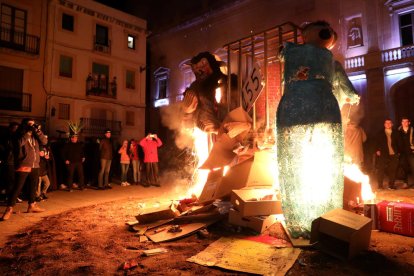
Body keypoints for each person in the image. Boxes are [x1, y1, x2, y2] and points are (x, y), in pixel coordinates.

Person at [276, 21, 359, 238]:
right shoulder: (330, 61)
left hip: (292, 107)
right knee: (323, 159)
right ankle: (323, 216)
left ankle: (302, 218)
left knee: (297, 160)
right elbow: (349, 89)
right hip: (323, 107)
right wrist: (352, 95)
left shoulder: (290, 51)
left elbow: (282, 56)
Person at [1, 118, 48, 221]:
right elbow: (19, 144)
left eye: (33, 124)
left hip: (35, 164)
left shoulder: (35, 135)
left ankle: (32, 206)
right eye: (30, 124)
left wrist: (38, 131)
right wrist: (28, 133)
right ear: (24, 125)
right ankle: (9, 209)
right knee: (17, 187)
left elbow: (44, 141)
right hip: (24, 164)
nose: (32, 126)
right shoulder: (18, 134)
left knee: (33, 187)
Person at [375, 119, 400, 190]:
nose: (388, 124)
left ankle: (391, 185)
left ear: (392, 124)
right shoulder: (380, 133)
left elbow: (399, 143)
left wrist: (398, 152)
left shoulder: (396, 133)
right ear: (384, 124)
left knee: (392, 170)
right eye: (386, 123)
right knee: (381, 169)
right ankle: (380, 185)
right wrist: (377, 150)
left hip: (393, 154)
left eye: (389, 123)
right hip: (383, 153)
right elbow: (376, 142)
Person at [397, 117, 414, 188]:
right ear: (401, 123)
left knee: (413, 167)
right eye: (403, 121)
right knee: (404, 168)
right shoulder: (398, 130)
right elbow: (395, 141)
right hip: (402, 152)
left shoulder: (412, 130)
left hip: (411, 151)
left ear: (409, 123)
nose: (404, 123)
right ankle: (405, 182)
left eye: (406, 121)